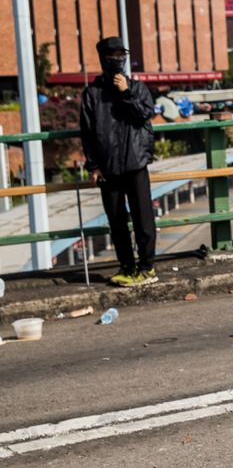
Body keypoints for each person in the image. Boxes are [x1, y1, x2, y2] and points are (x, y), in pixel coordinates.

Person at [80, 37, 158, 287]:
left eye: (121, 53)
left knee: (143, 219)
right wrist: (93, 166)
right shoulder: (92, 94)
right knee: (117, 221)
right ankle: (127, 267)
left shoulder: (137, 88)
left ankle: (147, 268)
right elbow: (88, 132)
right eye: (112, 54)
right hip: (108, 167)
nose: (117, 59)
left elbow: (145, 115)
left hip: (135, 163)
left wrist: (125, 93)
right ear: (103, 58)